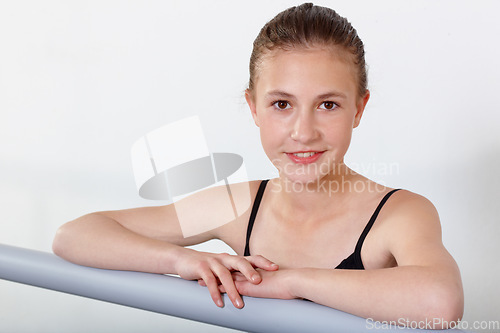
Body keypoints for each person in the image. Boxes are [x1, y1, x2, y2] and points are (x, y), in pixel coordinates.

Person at [53, 3, 463, 328]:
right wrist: (184, 261)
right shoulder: (236, 203)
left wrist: (291, 282)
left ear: (359, 108)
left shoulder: (400, 214)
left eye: (328, 105)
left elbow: (441, 303)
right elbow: (74, 235)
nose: (304, 132)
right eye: (282, 104)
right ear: (253, 107)